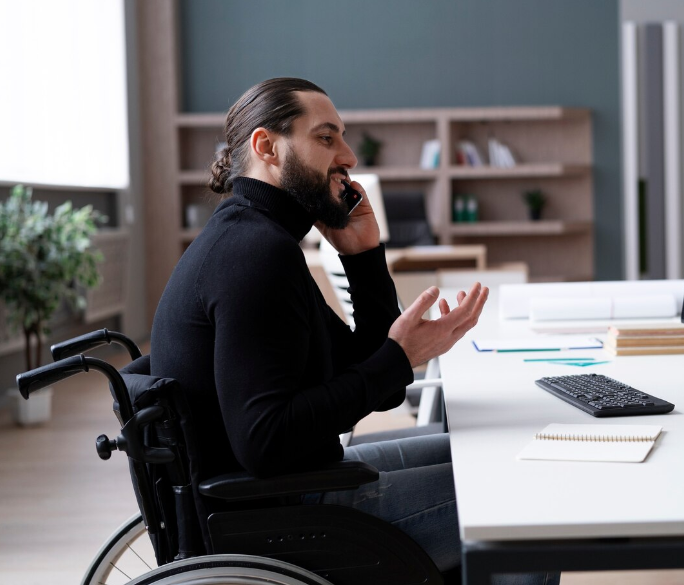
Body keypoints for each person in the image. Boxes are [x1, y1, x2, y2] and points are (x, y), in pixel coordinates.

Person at [151, 77, 556, 585]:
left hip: (286, 486)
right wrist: (398, 359)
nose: (348, 156)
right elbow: (265, 440)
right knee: (532, 491)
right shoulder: (254, 256)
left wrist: (363, 257)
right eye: (326, 138)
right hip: (283, 514)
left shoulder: (256, 237)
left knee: (478, 445)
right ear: (267, 147)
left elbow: (368, 375)